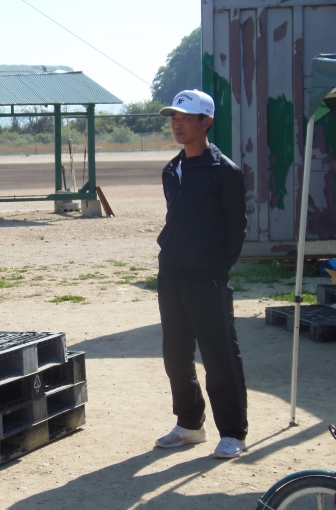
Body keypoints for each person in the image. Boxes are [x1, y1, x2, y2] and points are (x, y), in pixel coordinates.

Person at [154, 90, 249, 459]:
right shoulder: (171, 170)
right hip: (171, 274)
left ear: (206, 122)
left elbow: (235, 228)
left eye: (186, 118)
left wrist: (215, 267)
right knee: (176, 356)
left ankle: (233, 433)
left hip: (206, 277)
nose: (177, 124)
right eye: (174, 118)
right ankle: (190, 424)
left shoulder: (224, 171)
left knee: (219, 355)